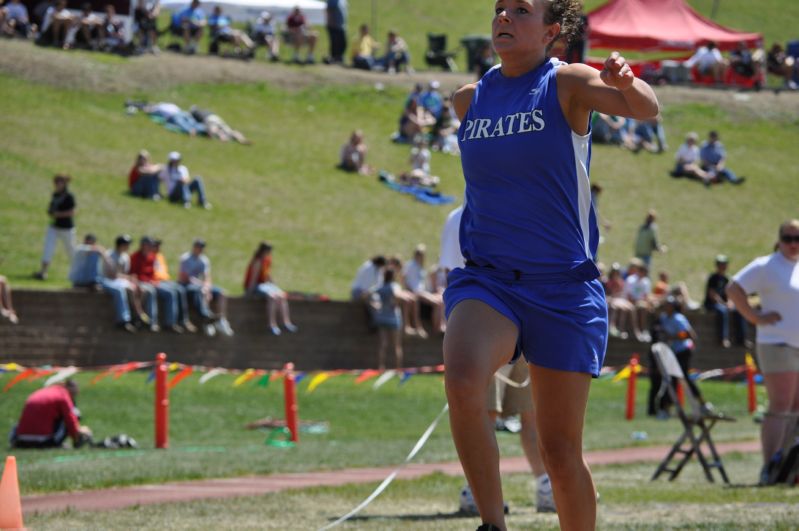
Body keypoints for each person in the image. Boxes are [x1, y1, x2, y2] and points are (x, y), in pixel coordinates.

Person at [443, 2, 659, 529]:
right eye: (499, 9)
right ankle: (492, 524)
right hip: (490, 279)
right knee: (464, 378)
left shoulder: (567, 83)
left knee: (561, 453)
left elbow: (646, 110)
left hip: (563, 287)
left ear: (552, 31)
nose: (505, 18)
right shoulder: (470, 100)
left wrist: (628, 82)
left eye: (521, 10)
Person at [440, 204, 555, 515]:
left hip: (524, 317)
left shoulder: (518, 206)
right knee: (483, 411)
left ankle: (546, 483)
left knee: (532, 412)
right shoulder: (459, 216)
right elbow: (451, 271)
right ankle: (476, 491)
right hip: (482, 320)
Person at [726, 220, 799, 484]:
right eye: (788, 237)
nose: (793, 244)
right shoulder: (767, 265)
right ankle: (770, 466)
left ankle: (788, 467)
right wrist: (754, 317)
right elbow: (733, 289)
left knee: (795, 408)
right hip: (776, 343)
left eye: (797, 238)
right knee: (780, 407)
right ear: (779, 239)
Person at [647, 296, 706, 418]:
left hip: (683, 351)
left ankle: (701, 403)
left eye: (668, 305)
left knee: (683, 378)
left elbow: (688, 334)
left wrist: (672, 336)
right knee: (671, 380)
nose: (666, 307)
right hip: (673, 352)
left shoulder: (678, 319)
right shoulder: (664, 317)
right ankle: (667, 408)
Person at [9, 380, 92, 449]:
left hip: (21, 439)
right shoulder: (63, 396)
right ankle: (56, 443)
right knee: (74, 414)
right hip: (43, 441)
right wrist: (77, 435)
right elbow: (70, 419)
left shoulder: (43, 391)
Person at [179, 239, 235, 336]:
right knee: (202, 291)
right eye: (198, 247)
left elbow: (207, 277)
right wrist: (203, 286)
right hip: (187, 285)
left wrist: (207, 287)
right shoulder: (186, 258)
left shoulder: (204, 260)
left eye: (202, 248)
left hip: (200, 285)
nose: (200, 249)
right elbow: (185, 277)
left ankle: (221, 320)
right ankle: (207, 320)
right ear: (194, 247)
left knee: (222, 293)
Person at [244, 242, 298, 335]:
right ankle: (271, 324)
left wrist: (275, 286)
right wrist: (249, 292)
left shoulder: (267, 260)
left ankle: (286, 322)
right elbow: (254, 278)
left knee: (281, 296)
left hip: (265, 285)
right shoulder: (257, 261)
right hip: (257, 285)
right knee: (272, 297)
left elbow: (267, 274)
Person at [130, 236, 181, 333]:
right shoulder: (134, 257)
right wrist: (143, 282)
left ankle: (170, 322)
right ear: (143, 245)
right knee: (151, 291)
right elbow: (133, 274)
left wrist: (153, 281)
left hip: (152, 282)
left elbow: (152, 273)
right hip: (141, 282)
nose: (151, 247)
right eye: (149, 245)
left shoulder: (152, 256)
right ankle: (152, 322)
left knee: (171, 293)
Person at [34, 174, 76, 281]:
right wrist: (51, 212)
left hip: (66, 228)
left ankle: (77, 272)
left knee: (70, 250)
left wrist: (58, 214)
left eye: (59, 182)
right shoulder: (55, 194)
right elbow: (52, 207)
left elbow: (72, 212)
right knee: (48, 248)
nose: (57, 185)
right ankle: (43, 272)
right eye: (55, 182)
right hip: (54, 226)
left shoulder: (69, 196)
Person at [101, 234, 145, 333]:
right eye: (127, 244)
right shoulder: (110, 255)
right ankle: (126, 318)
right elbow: (111, 274)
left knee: (140, 289)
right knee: (125, 290)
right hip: (108, 280)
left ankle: (137, 316)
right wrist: (128, 278)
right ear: (121, 245)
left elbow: (125, 273)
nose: (128, 247)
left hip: (120, 281)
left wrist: (131, 279)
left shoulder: (125, 257)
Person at [704, 254, 747, 348]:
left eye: (724, 264)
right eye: (720, 264)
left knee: (738, 310)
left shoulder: (726, 278)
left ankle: (741, 339)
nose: (722, 266)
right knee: (722, 311)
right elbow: (712, 295)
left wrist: (730, 303)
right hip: (712, 304)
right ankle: (723, 339)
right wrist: (723, 303)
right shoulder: (713, 278)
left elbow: (729, 293)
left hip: (723, 304)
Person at [403, 244, 445, 336]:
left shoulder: (420, 267)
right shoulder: (410, 265)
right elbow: (404, 279)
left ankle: (441, 325)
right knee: (437, 303)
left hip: (423, 291)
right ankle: (434, 327)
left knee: (440, 300)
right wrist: (409, 290)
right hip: (416, 292)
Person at [370, 268, 403, 370]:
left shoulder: (381, 287)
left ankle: (381, 367)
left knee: (383, 344)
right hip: (393, 317)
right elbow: (397, 295)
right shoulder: (394, 286)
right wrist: (395, 304)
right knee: (396, 345)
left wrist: (374, 305)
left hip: (382, 317)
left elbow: (367, 294)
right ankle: (398, 369)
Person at [324, 0, 347, 65]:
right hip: (334, 25)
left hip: (342, 25)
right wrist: (330, 23)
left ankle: (339, 57)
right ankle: (334, 58)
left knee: (343, 43)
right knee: (335, 43)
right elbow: (329, 11)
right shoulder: (332, 1)